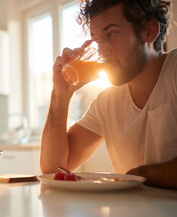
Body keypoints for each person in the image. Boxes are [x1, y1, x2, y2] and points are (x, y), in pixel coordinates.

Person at [40, 0, 177, 189]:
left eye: (111, 33)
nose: (102, 49)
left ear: (150, 30)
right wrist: (60, 96)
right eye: (96, 40)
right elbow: (53, 169)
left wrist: (137, 176)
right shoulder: (107, 101)